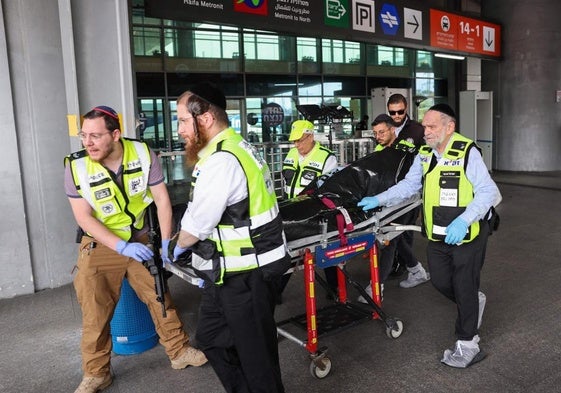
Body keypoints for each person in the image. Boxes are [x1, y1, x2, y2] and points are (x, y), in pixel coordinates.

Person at [64, 106, 207, 393]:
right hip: (101, 243)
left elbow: (162, 201)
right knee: (95, 311)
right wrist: (120, 246)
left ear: (115, 134)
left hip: (141, 241)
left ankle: (179, 352)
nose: (87, 142)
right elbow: (83, 217)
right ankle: (96, 373)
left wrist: (166, 242)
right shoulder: (76, 165)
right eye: (84, 135)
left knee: (158, 296)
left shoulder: (142, 153)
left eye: (95, 136)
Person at [358, 104, 501, 368]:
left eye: (432, 126)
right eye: (425, 126)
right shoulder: (424, 154)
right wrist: (379, 198)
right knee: (440, 281)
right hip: (438, 234)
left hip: (468, 232)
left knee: (464, 284)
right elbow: (409, 186)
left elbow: (488, 192)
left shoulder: (467, 152)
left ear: (450, 127)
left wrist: (464, 219)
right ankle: (472, 300)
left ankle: (468, 343)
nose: (426, 131)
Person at [171, 83, 290, 393]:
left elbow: (198, 226)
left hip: (245, 274)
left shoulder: (222, 160)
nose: (179, 128)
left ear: (206, 118)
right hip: (226, 273)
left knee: (258, 359)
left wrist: (173, 248)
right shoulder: (231, 148)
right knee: (212, 339)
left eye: (183, 120)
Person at [357, 114, 429, 303]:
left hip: (405, 201)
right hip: (386, 201)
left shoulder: (404, 150)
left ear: (392, 130)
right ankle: (417, 270)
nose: (378, 136)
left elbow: (408, 182)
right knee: (396, 239)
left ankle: (376, 287)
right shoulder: (380, 149)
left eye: (382, 132)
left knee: (389, 241)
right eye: (375, 133)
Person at [281, 120, 339, 296]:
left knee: (325, 249)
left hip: (315, 214)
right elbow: (286, 182)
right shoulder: (291, 153)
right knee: (288, 254)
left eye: (300, 140)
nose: (297, 144)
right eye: (294, 141)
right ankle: (275, 293)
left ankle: (334, 287)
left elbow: (328, 191)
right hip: (291, 212)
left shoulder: (327, 158)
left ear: (311, 136)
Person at [386, 93, 426, 280]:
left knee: (406, 228)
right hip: (391, 186)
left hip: (411, 186)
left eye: (400, 111)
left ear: (406, 108)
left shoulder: (417, 130)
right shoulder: (386, 127)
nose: (396, 116)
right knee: (394, 227)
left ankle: (406, 265)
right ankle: (402, 262)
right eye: (392, 112)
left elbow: (427, 156)